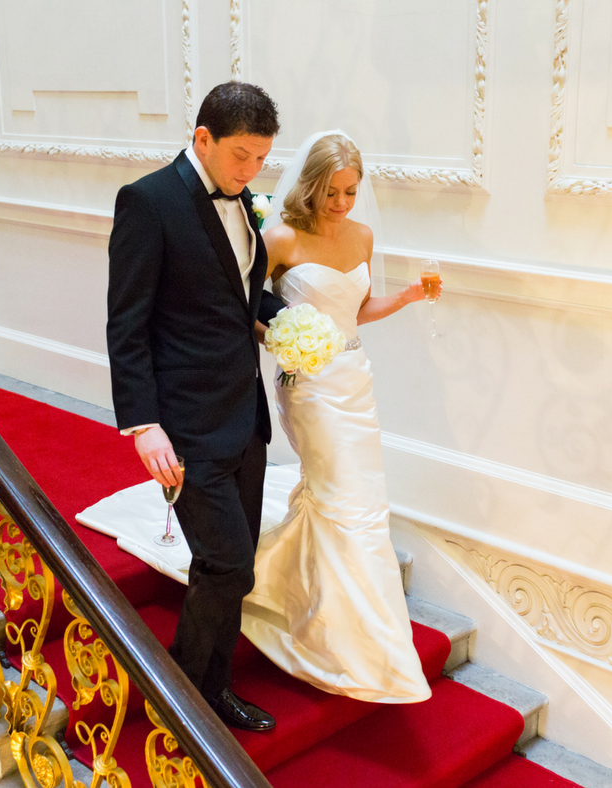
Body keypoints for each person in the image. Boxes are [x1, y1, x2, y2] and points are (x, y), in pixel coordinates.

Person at [106, 82, 286, 732]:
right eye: (240, 155)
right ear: (203, 137)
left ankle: (213, 692)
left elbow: (241, 298)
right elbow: (126, 323)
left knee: (229, 570)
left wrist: (289, 324)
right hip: (183, 424)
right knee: (228, 562)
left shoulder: (250, 203)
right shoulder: (148, 202)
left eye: (261, 158)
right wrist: (145, 424)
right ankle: (180, 695)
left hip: (246, 418)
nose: (251, 171)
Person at [241, 131, 441, 702]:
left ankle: (311, 606)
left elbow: (355, 310)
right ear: (311, 186)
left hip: (355, 381)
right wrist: (280, 337)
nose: (342, 203)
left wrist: (404, 300)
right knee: (342, 498)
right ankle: (351, 643)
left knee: (360, 501)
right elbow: (246, 306)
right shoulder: (279, 239)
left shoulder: (362, 235)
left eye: (351, 191)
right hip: (308, 387)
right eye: (332, 192)